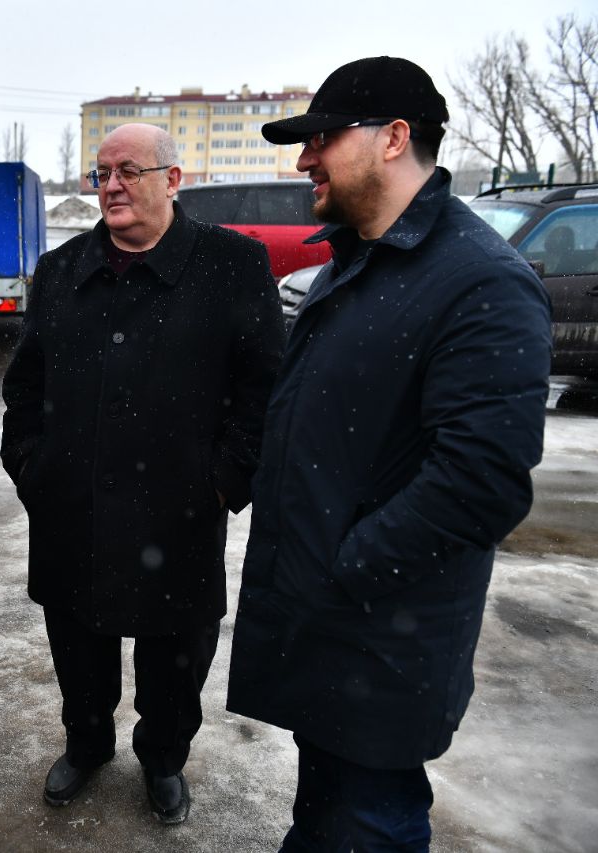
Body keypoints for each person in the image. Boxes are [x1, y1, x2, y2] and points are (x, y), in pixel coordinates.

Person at [225, 57, 552, 851]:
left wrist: (344, 569)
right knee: (326, 816)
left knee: (369, 822)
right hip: (330, 633)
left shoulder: (481, 282)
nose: (305, 160)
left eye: (324, 139)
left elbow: (481, 483)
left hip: (382, 646)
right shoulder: (356, 262)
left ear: (394, 138)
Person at [1, 123, 284, 823]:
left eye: (129, 171)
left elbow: (264, 388)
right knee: (78, 644)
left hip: (179, 508)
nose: (112, 186)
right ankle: (86, 744)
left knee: (175, 656)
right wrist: (32, 465)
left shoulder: (231, 265)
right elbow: (25, 384)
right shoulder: (61, 269)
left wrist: (224, 479)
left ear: (172, 179)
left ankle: (163, 758)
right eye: (102, 174)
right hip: (72, 505)